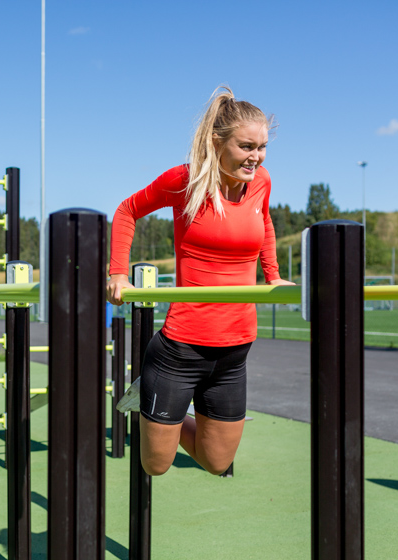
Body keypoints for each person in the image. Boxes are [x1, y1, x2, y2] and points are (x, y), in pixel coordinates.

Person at [106, 87, 293, 477]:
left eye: (261, 147)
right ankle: (154, 407)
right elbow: (127, 210)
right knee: (156, 464)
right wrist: (118, 273)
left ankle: (163, 419)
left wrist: (274, 277)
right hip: (180, 351)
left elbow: (265, 223)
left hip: (234, 351)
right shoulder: (185, 181)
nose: (255, 157)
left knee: (217, 462)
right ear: (217, 142)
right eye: (246, 146)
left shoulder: (261, 182)